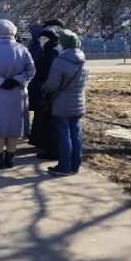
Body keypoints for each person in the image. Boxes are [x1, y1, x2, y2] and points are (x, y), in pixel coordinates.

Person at [0, 20, 36, 169]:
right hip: (16, 94)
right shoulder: (22, 49)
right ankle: (9, 159)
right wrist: (18, 80)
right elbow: (31, 70)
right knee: (14, 126)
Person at [43, 30, 89, 176]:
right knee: (76, 135)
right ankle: (75, 166)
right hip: (79, 102)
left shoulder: (60, 62)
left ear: (63, 44)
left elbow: (51, 85)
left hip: (62, 103)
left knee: (64, 136)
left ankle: (64, 167)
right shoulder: (83, 61)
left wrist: (43, 88)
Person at [28, 28, 59, 159]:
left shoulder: (50, 54)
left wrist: (38, 85)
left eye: (43, 39)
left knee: (48, 122)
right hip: (45, 91)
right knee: (44, 120)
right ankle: (47, 147)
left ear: (49, 40)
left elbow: (48, 74)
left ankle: (51, 150)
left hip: (48, 92)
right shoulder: (46, 52)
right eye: (40, 38)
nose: (40, 41)